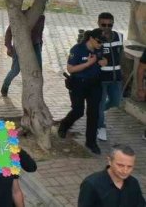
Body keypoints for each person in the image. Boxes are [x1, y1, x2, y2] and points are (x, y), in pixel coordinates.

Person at [58, 29, 105, 154]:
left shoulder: (99, 48)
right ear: (91, 38)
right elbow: (70, 69)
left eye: (102, 42)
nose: (101, 44)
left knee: (93, 113)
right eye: (99, 41)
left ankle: (91, 142)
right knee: (78, 111)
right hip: (79, 83)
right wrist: (88, 64)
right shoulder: (77, 49)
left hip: (95, 84)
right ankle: (64, 125)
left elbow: (103, 59)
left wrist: (104, 62)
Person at [77, 144, 143, 207]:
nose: (125, 171)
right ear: (109, 161)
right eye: (120, 165)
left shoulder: (133, 183)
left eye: (129, 166)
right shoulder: (91, 184)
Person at [96, 12, 124, 142]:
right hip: (100, 78)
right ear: (98, 23)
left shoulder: (119, 36)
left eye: (110, 25)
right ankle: (100, 126)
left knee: (116, 101)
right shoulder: (94, 38)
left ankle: (97, 112)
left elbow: (122, 55)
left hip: (116, 77)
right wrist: (97, 61)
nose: (107, 27)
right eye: (103, 24)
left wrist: (123, 72)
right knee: (100, 103)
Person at [1, 14, 46, 96]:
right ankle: (5, 85)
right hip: (20, 44)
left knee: (38, 69)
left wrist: (40, 46)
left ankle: (34, 90)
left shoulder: (41, 17)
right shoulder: (22, 15)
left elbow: (40, 33)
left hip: (35, 45)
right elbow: (9, 32)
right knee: (15, 70)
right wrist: (9, 47)